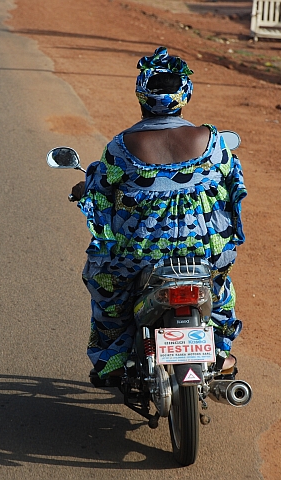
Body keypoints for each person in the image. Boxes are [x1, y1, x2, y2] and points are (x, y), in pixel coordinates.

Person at [72, 47, 247, 382]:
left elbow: (99, 193)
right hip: (205, 252)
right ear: (185, 94)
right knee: (221, 290)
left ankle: (114, 360)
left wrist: (86, 192)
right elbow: (230, 189)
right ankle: (221, 353)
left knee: (105, 286)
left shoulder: (122, 146)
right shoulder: (211, 140)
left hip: (141, 255)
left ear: (142, 95)